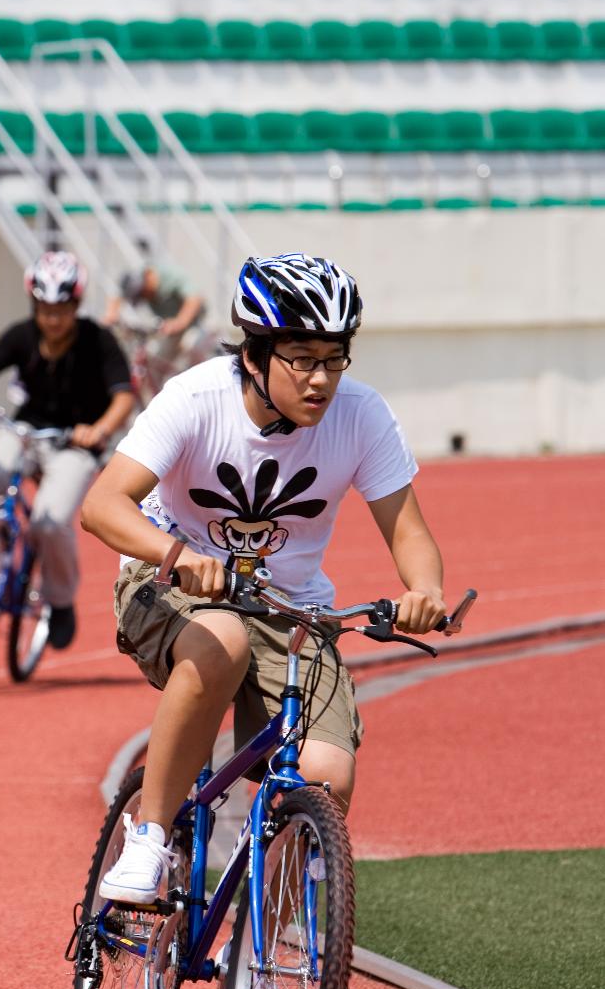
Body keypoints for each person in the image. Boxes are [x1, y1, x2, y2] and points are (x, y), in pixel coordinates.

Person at [80, 251, 446, 904]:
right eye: (301, 358)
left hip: (290, 608)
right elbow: (103, 504)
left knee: (326, 776)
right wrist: (176, 555)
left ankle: (269, 971)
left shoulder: (361, 416)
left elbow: (407, 529)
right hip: (169, 586)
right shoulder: (195, 399)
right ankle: (150, 835)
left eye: (334, 357)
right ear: (253, 355)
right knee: (220, 641)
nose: (321, 380)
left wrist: (423, 592)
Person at [0, 250, 136, 651]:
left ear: (76, 306)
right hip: (25, 429)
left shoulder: (99, 341)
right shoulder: (21, 335)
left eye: (61, 310)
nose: (52, 319)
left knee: (49, 522)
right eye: (44, 309)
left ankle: (60, 602)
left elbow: (123, 396)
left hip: (74, 444)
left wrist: (99, 429)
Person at [102, 260, 209, 372]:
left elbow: (194, 298)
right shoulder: (138, 277)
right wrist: (111, 315)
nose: (143, 298)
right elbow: (117, 293)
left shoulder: (169, 275)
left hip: (194, 325)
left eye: (142, 293)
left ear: (148, 278)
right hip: (170, 330)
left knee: (193, 349)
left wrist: (179, 322)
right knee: (155, 363)